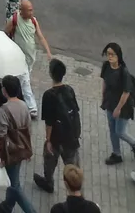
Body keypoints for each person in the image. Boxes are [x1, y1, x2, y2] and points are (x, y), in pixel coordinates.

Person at [33, 59, 80, 193]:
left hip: (56, 137)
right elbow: (75, 111)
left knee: (50, 159)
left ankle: (48, 182)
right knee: (72, 165)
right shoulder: (70, 90)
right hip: (71, 136)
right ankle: (75, 187)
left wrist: (48, 140)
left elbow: (49, 122)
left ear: (50, 74)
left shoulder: (48, 95)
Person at [0, 74, 36, 213]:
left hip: (11, 152)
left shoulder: (3, 110)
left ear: (4, 91)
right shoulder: (24, 105)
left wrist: (2, 157)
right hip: (22, 148)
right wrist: (28, 149)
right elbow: (28, 129)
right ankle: (7, 206)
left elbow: (1, 136)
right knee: (13, 180)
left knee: (15, 186)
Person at [5, 0, 52, 118]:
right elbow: (5, 34)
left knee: (22, 79)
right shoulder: (14, 20)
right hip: (19, 57)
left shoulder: (34, 21)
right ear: (22, 11)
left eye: (32, 10)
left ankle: (13, 96)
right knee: (25, 81)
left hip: (31, 57)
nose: (32, 12)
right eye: (29, 10)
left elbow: (40, 37)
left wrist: (48, 52)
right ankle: (32, 108)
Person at [100, 40, 135, 165]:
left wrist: (118, 108)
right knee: (112, 129)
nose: (110, 57)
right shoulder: (106, 66)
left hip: (123, 106)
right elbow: (104, 80)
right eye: (108, 54)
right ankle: (116, 154)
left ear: (118, 56)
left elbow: (126, 92)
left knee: (120, 131)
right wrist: (103, 96)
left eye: (112, 54)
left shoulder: (123, 72)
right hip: (110, 103)